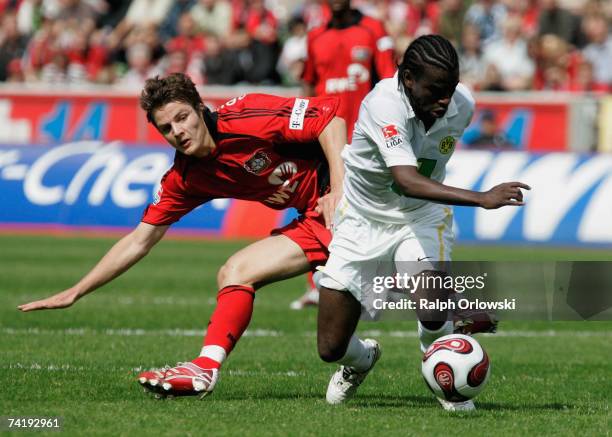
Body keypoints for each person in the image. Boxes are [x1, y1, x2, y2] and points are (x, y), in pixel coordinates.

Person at [18, 72, 347, 399]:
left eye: (182, 117)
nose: (177, 131)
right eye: (166, 127)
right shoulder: (185, 178)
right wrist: (76, 292)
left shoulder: (245, 114)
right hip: (317, 220)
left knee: (391, 290)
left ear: (200, 108)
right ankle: (205, 368)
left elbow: (330, 121)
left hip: (363, 198)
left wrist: (340, 191)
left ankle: (360, 352)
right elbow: (139, 241)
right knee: (239, 274)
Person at [314, 35, 530, 411]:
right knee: (331, 347)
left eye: (450, 88)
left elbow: (421, 182)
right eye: (436, 89)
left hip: (420, 216)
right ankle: (362, 360)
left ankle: (450, 387)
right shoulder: (384, 103)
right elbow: (406, 178)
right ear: (408, 78)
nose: (445, 99)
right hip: (362, 221)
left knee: (430, 306)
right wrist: (481, 198)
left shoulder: (462, 105)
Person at [292, 0, 396, 310]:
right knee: (319, 207)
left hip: (362, 138)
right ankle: (318, 284)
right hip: (323, 137)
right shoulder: (315, 36)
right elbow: (308, 86)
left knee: (371, 213)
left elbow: (389, 83)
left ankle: (375, 287)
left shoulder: (373, 29)